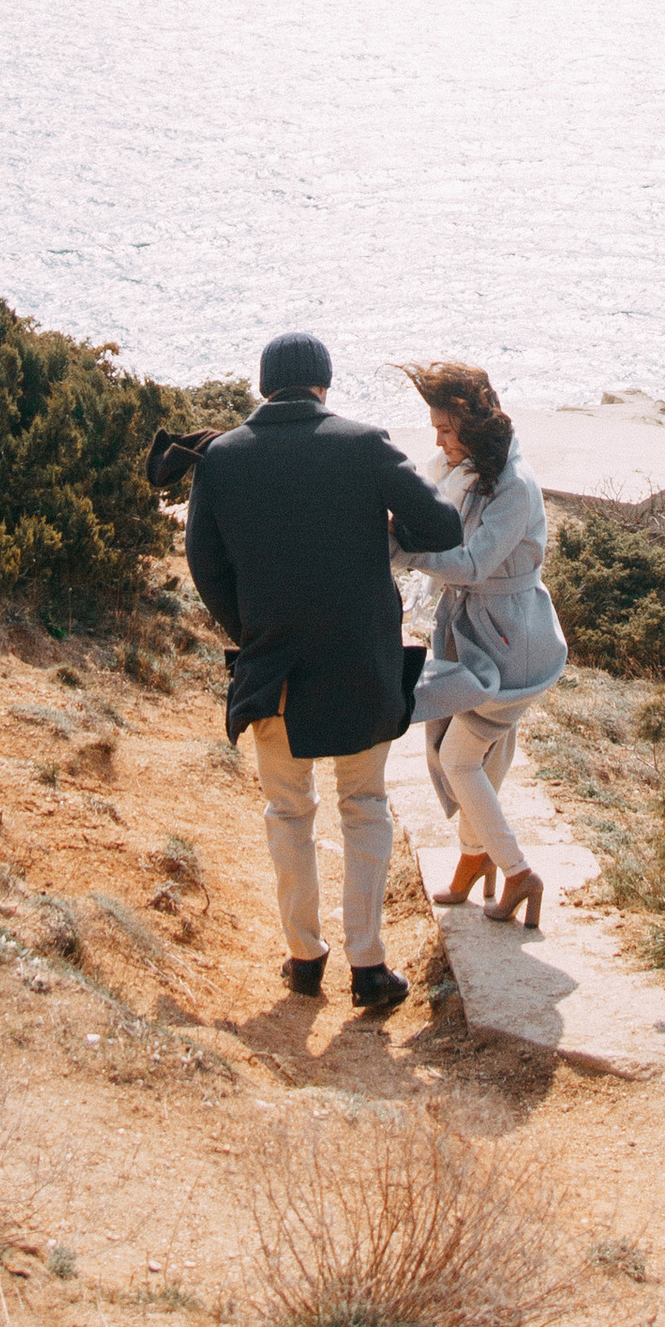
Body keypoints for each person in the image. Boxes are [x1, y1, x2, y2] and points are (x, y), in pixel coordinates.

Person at [185, 329, 465, 1015]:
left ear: (263, 386)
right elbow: (441, 527)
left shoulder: (221, 457)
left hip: (272, 667)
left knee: (289, 810)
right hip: (362, 664)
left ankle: (304, 958)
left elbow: (205, 565)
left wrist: (250, 632)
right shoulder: (363, 444)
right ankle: (369, 965)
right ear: (323, 385)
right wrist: (380, 536)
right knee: (364, 807)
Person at [394, 359, 568, 933]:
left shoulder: (514, 486)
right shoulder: (466, 467)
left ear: (475, 424)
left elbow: (471, 564)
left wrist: (397, 552)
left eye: (446, 428)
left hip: (514, 640)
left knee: (458, 757)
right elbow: (420, 503)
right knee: (483, 754)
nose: (437, 440)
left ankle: (517, 871)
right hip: (482, 630)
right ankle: (475, 859)